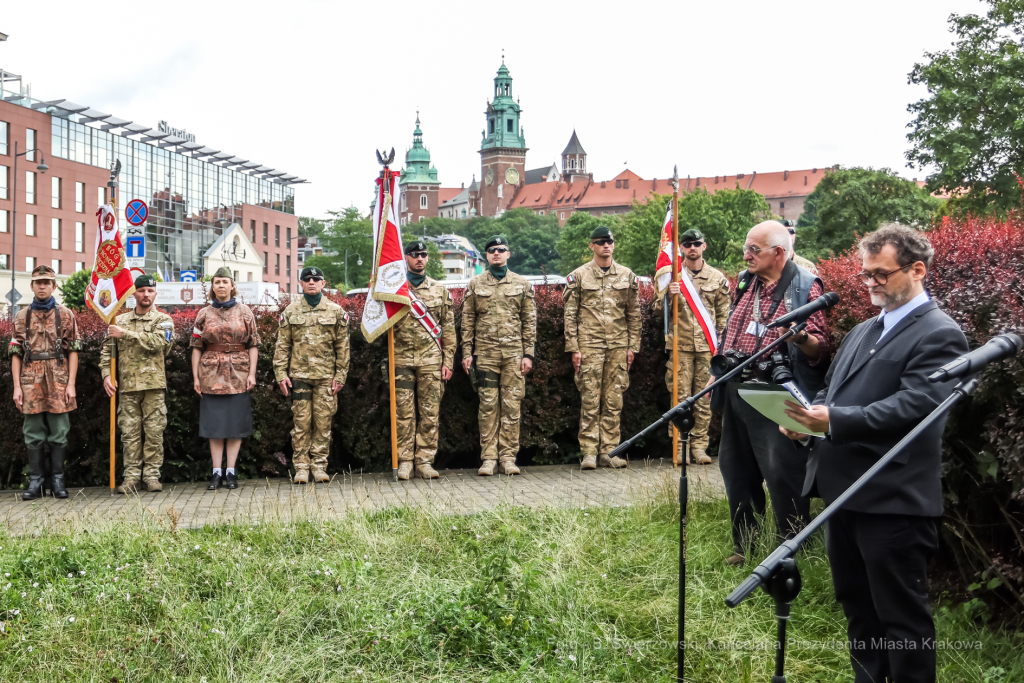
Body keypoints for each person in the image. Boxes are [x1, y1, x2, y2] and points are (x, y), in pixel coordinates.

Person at [782, 224, 968, 683]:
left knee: (901, 622)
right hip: (844, 493)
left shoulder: (940, 334)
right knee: (859, 613)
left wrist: (835, 421)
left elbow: (915, 404)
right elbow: (834, 389)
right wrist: (808, 423)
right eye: (866, 274)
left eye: (881, 274)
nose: (870, 282)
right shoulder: (864, 329)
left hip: (892, 499)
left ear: (918, 269)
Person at [713, 220, 831, 566]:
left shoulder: (806, 286)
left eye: (754, 249)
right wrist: (716, 374)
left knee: (782, 470)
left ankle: (791, 546)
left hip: (776, 391)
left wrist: (800, 338)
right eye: (746, 248)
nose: (746, 255)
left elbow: (821, 349)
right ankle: (744, 544)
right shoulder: (746, 281)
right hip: (737, 387)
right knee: (735, 468)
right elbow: (732, 328)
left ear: (778, 253)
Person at [563, 226, 641, 469]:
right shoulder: (578, 276)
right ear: (592, 246)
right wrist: (574, 347)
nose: (606, 245)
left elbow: (634, 314)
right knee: (589, 399)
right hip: (589, 347)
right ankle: (588, 452)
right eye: (600, 242)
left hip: (618, 346)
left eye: (610, 241)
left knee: (614, 400)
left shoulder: (627, 275)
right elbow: (570, 315)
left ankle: (609, 451)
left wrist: (632, 347)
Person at [652, 228, 730, 465]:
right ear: (681, 249)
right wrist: (667, 295)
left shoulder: (717, 278)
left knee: (704, 398)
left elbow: (724, 316)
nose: (692, 248)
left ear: (704, 246)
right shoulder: (672, 276)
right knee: (679, 397)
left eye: (697, 243)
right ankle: (679, 448)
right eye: (687, 244)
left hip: (708, 349)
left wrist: (722, 348)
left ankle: (698, 446)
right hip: (680, 347)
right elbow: (656, 311)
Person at [461, 235, 537, 476]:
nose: (496, 253)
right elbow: (467, 321)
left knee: (512, 407)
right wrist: (466, 352)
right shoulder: (476, 284)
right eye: (492, 250)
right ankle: (489, 458)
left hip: (514, 356)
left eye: (501, 249)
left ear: (508, 254)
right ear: (486, 255)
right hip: (485, 355)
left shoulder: (522, 284)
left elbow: (530, 321)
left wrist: (528, 354)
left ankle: (508, 458)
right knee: (487, 407)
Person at [8, 265, 80, 500]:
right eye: (38, 282)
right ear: (31, 286)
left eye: (47, 282)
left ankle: (58, 481)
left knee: (59, 431)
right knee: (33, 432)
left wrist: (71, 384)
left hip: (59, 380)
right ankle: (36, 482)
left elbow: (74, 351)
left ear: (54, 286)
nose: (42, 285)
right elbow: (15, 352)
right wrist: (17, 387)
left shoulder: (66, 314)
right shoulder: (21, 316)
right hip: (30, 380)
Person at [274, 266, 350, 484]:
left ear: (323, 283)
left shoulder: (335, 312)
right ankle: (300, 468)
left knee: (323, 423)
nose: (311, 282)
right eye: (307, 279)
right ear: (301, 283)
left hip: (326, 377)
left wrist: (340, 376)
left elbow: (343, 348)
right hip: (299, 376)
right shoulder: (291, 311)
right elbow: (282, 346)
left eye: (316, 279)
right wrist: (280, 374)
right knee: (301, 423)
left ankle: (319, 466)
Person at [100, 274, 174, 493]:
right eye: (141, 290)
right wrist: (106, 374)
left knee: (154, 433)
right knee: (129, 435)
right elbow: (106, 351)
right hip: (127, 387)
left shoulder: (163, 320)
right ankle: (131, 478)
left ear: (155, 293)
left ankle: (152, 477)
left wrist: (127, 334)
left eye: (150, 291)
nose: (146, 294)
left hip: (153, 387)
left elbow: (160, 342)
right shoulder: (118, 320)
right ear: (134, 293)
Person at [190, 267, 260, 491]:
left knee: (235, 426)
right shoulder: (203, 314)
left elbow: (253, 344)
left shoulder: (245, 312)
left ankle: (231, 472)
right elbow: (196, 347)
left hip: (238, 375)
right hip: (211, 376)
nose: (220, 285)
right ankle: (216, 472)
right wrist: (196, 377)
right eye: (216, 282)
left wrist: (252, 373)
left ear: (232, 285)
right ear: (212, 286)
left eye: (224, 281)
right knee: (215, 427)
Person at [391, 241, 456, 480]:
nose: (419, 258)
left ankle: (425, 462)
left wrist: (447, 361)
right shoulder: (394, 290)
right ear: (405, 258)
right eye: (414, 255)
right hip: (401, 360)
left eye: (423, 255)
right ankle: (405, 461)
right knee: (404, 414)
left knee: (430, 413)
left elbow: (449, 330)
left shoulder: (440, 291)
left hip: (431, 360)